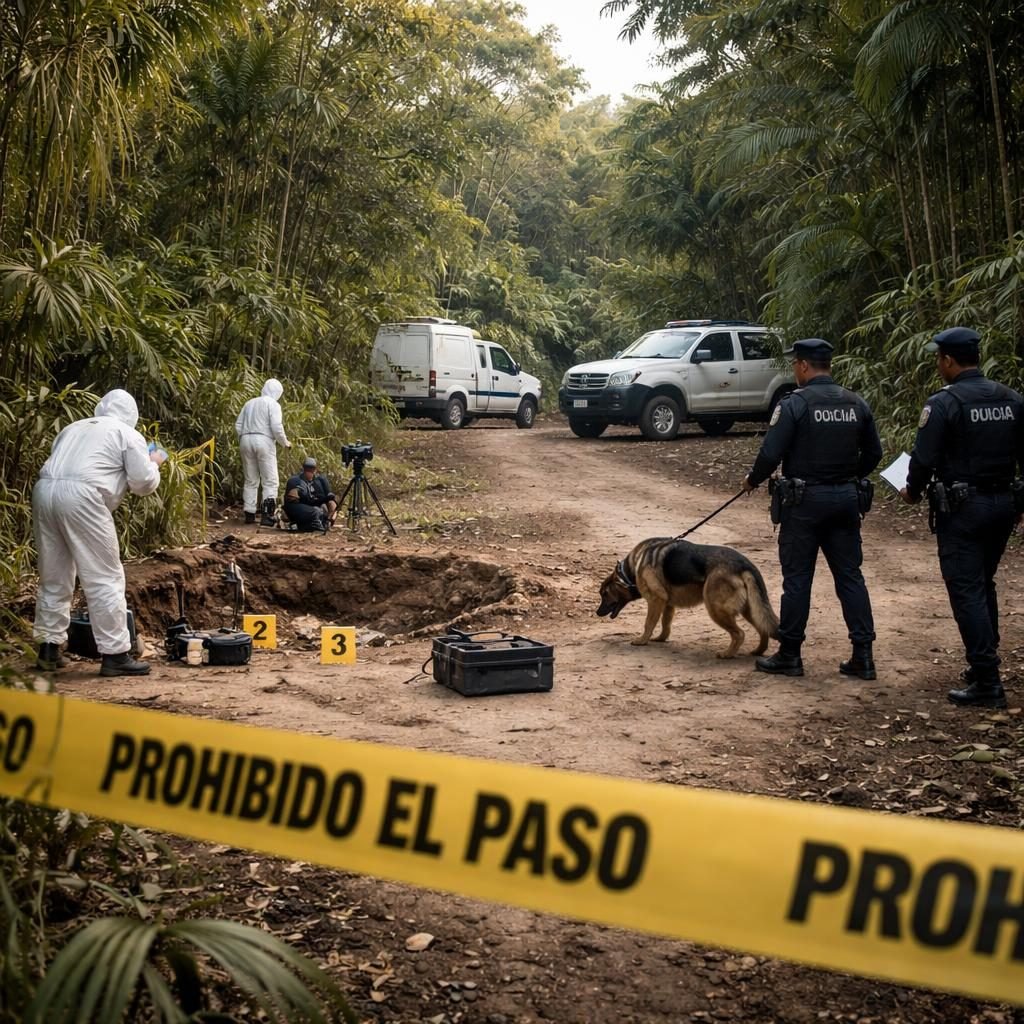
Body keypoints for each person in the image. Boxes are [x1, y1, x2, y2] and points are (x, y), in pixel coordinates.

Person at [740, 338, 883, 678]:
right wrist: (849, 477)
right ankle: (863, 656)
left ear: (803, 365)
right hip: (846, 501)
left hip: (804, 504)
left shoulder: (795, 404)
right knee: (850, 577)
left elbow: (771, 453)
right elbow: (875, 454)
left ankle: (790, 654)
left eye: (795, 365)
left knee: (798, 579)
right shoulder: (855, 402)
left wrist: (752, 481)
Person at [900, 327, 1024, 709]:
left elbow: (922, 459)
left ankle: (987, 680)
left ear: (948, 360)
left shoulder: (945, 403)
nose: (939, 365)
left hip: (963, 510)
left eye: (939, 359)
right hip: (1004, 506)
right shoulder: (1011, 398)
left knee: (966, 589)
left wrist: (912, 490)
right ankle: (982, 664)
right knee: (982, 583)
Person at [33, 390, 166, 676]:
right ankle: (116, 654)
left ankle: (48, 648)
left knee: (54, 574)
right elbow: (142, 483)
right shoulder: (127, 434)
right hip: (84, 496)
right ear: (132, 414)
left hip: (44, 491)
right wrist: (154, 463)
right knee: (104, 576)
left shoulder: (73, 428)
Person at [235, 378, 291, 525]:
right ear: (278, 392)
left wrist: (244, 437)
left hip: (245, 439)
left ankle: (249, 512)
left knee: (251, 479)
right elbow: (276, 427)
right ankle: (267, 514)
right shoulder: (273, 404)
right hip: (264, 440)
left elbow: (238, 425)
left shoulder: (249, 403)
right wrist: (285, 443)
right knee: (270, 479)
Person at [283, 457, 338, 532]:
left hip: (315, 507)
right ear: (303, 469)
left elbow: (328, 499)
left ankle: (319, 523)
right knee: (316, 511)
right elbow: (294, 501)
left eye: (312, 469)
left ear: (315, 470)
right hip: (301, 508)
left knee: (322, 509)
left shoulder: (319, 482)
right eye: (307, 469)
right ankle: (310, 525)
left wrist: (332, 509)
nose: (309, 471)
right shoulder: (296, 481)